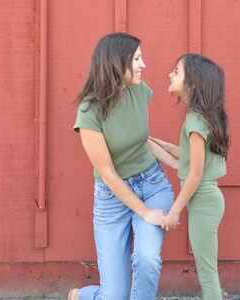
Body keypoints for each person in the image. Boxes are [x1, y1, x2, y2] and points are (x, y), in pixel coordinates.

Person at [69, 32, 174, 300]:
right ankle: (80, 296)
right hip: (111, 199)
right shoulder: (89, 112)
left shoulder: (140, 91)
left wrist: (180, 163)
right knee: (114, 296)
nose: (143, 65)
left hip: (151, 186)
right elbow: (107, 172)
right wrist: (145, 212)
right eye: (137, 59)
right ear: (117, 64)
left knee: (147, 259)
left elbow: (142, 140)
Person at [148, 53, 230, 300]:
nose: (169, 75)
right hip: (206, 199)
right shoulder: (200, 118)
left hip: (203, 199)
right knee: (207, 269)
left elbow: (195, 174)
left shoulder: (194, 121)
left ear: (193, 84)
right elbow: (185, 156)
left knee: (207, 272)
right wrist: (152, 140)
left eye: (176, 71)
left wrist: (175, 210)